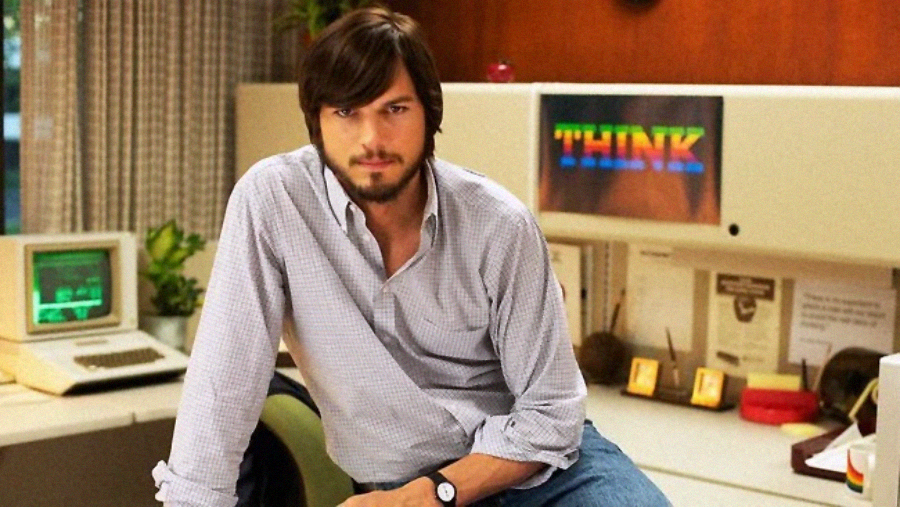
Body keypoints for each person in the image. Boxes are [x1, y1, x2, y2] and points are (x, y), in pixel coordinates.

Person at [153, 7, 669, 507]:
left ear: (429, 114)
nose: (371, 138)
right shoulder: (274, 203)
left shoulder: (499, 225)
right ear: (317, 121)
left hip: (536, 467)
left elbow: (553, 415)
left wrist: (433, 493)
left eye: (394, 110)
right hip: (393, 485)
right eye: (346, 112)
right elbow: (222, 385)